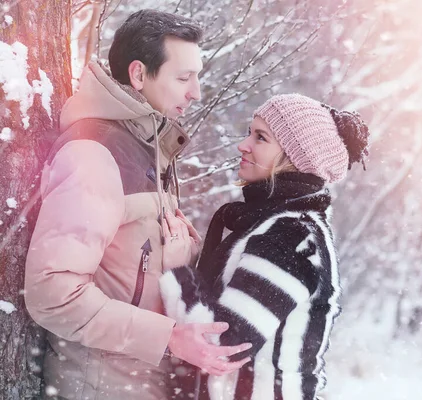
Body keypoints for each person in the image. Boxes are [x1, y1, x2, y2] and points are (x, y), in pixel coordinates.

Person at [24, 9, 250, 400]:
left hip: (141, 385)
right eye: (183, 77)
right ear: (139, 75)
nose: (195, 92)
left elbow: (131, 270)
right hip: (100, 387)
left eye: (196, 76)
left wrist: (183, 262)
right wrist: (169, 337)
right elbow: (52, 293)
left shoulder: (149, 150)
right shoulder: (94, 153)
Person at [159, 93, 370, 399]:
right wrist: (192, 260)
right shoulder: (275, 225)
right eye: (249, 133)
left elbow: (221, 347)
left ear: (294, 159)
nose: (243, 145)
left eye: (261, 137)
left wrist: (178, 272)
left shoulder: (291, 236)